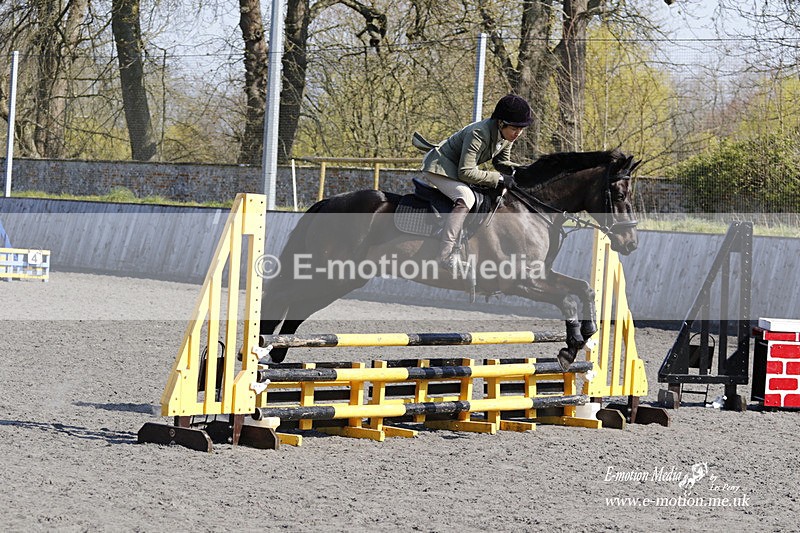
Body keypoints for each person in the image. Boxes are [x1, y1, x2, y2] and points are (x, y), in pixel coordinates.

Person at [420, 94, 533, 268]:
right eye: (515, 128)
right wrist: (500, 178)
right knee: (467, 198)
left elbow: (501, 162)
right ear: (501, 123)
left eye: (521, 128)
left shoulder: (506, 136)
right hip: (438, 166)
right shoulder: (479, 133)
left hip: (455, 169)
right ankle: (445, 254)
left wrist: (524, 171)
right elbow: (466, 172)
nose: (518, 133)